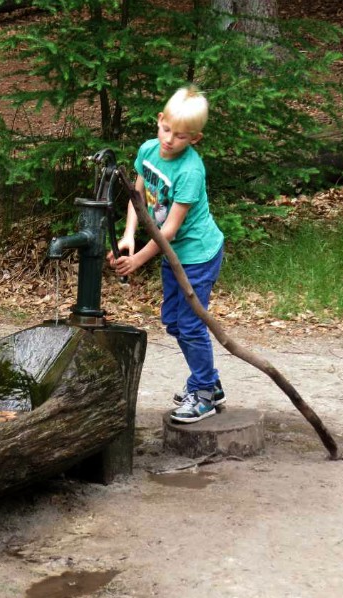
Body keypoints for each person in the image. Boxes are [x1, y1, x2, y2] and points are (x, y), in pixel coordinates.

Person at [110, 86, 225, 424]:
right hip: (172, 254)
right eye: (166, 129)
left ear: (195, 138)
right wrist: (128, 234)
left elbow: (169, 230)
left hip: (197, 254)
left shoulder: (190, 171)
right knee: (173, 323)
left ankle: (204, 393)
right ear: (160, 120)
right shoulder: (148, 150)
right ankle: (209, 381)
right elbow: (137, 196)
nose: (170, 140)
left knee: (190, 325)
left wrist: (137, 260)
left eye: (181, 136)